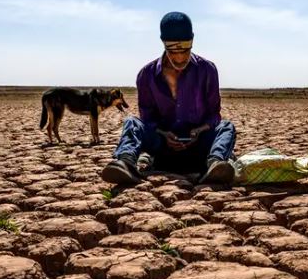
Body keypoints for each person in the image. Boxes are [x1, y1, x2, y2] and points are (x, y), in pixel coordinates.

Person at [101, 12, 236, 185]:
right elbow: (147, 119)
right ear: (163, 42)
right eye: (173, 50)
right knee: (132, 123)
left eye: (185, 49)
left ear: (192, 40)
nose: (180, 58)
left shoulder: (207, 70)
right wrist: (164, 134)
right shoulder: (146, 75)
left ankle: (215, 165)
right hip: (163, 147)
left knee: (226, 127)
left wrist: (199, 131)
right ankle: (125, 163)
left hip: (198, 147)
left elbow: (214, 116)